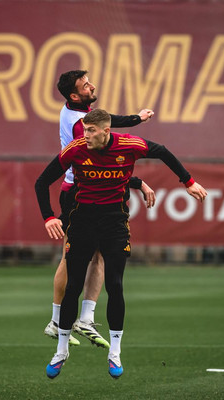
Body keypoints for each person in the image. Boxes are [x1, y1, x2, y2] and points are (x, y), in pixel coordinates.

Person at [35, 109, 207, 379]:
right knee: (73, 287)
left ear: (106, 131)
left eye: (91, 130)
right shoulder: (76, 149)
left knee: (115, 285)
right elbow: (42, 182)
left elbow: (162, 151)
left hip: (114, 222)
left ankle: (114, 353)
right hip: (82, 222)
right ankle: (61, 351)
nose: (85, 135)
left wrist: (189, 182)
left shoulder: (129, 145)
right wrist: (48, 217)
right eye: (84, 129)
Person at [44, 70, 156, 349]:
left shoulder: (78, 111)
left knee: (100, 254)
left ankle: (84, 317)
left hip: (84, 188)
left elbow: (107, 120)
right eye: (85, 85)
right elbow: (101, 162)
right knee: (71, 259)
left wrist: (135, 119)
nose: (92, 86)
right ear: (74, 95)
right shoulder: (80, 126)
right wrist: (137, 182)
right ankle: (57, 320)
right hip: (79, 192)